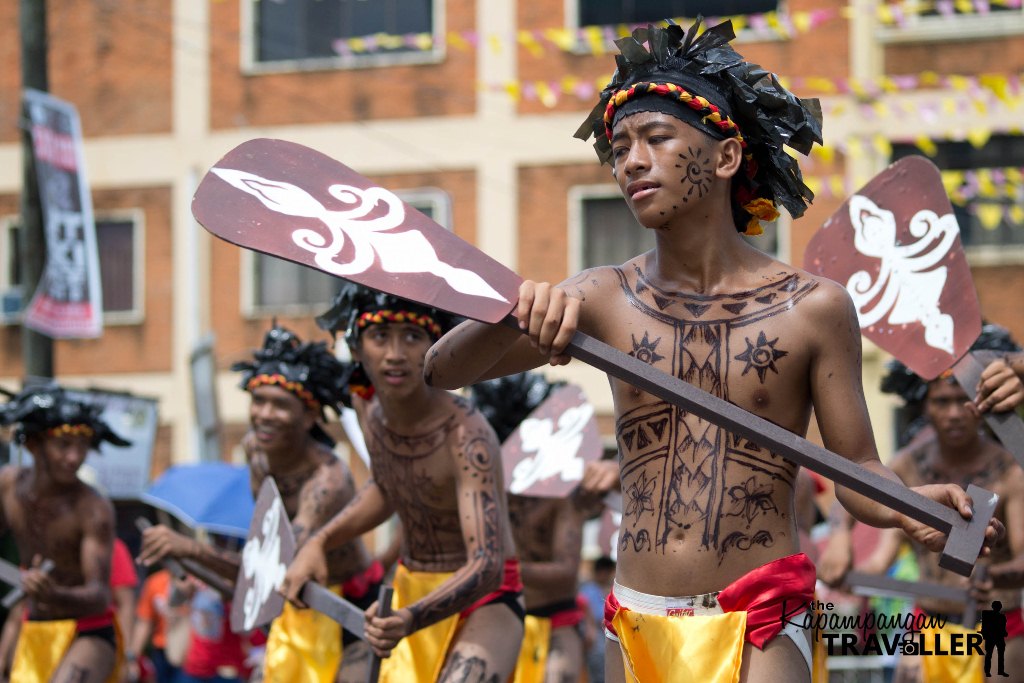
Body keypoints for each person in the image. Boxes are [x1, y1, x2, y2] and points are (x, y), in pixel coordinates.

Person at [424, 18, 1003, 683]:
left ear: (726, 156)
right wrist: (515, 313)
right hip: (634, 621)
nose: (631, 161)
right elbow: (443, 370)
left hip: (761, 616)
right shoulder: (602, 297)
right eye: (619, 148)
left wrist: (912, 508)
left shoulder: (813, 307)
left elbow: (857, 471)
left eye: (657, 138)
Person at [280, 284, 523, 683]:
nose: (395, 354)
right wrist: (318, 543)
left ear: (437, 347)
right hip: (409, 586)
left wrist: (408, 618)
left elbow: (488, 565)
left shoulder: (467, 435)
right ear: (357, 349)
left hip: (483, 597)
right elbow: (388, 487)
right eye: (380, 337)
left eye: (412, 337)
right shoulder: (368, 410)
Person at [139, 325, 382, 683]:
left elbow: (269, 572)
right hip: (293, 606)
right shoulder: (256, 450)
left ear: (310, 415)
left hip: (346, 607)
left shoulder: (327, 481)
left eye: (280, 405)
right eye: (258, 400)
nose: (265, 414)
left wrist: (190, 548)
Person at [841, 325, 1024, 683]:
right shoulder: (907, 466)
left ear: (981, 400)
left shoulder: (1010, 470)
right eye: (942, 401)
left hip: (999, 626)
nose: (955, 413)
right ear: (924, 405)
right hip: (929, 630)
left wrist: (992, 576)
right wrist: (851, 574)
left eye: (963, 398)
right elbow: (884, 550)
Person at [469, 372, 603, 683]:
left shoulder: (562, 495)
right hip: (498, 615)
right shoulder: (486, 491)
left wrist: (500, 569)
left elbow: (566, 571)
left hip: (554, 618)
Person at [0, 382, 131, 683]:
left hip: (88, 630)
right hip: (32, 625)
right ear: (33, 444)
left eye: (82, 445)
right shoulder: (8, 486)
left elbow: (99, 595)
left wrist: (53, 593)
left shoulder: (93, 508)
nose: (75, 457)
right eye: (63, 445)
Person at [125, 568, 192, 683]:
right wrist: (133, 657)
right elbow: (145, 621)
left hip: (189, 652)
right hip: (161, 650)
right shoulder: (155, 581)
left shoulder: (198, 582)